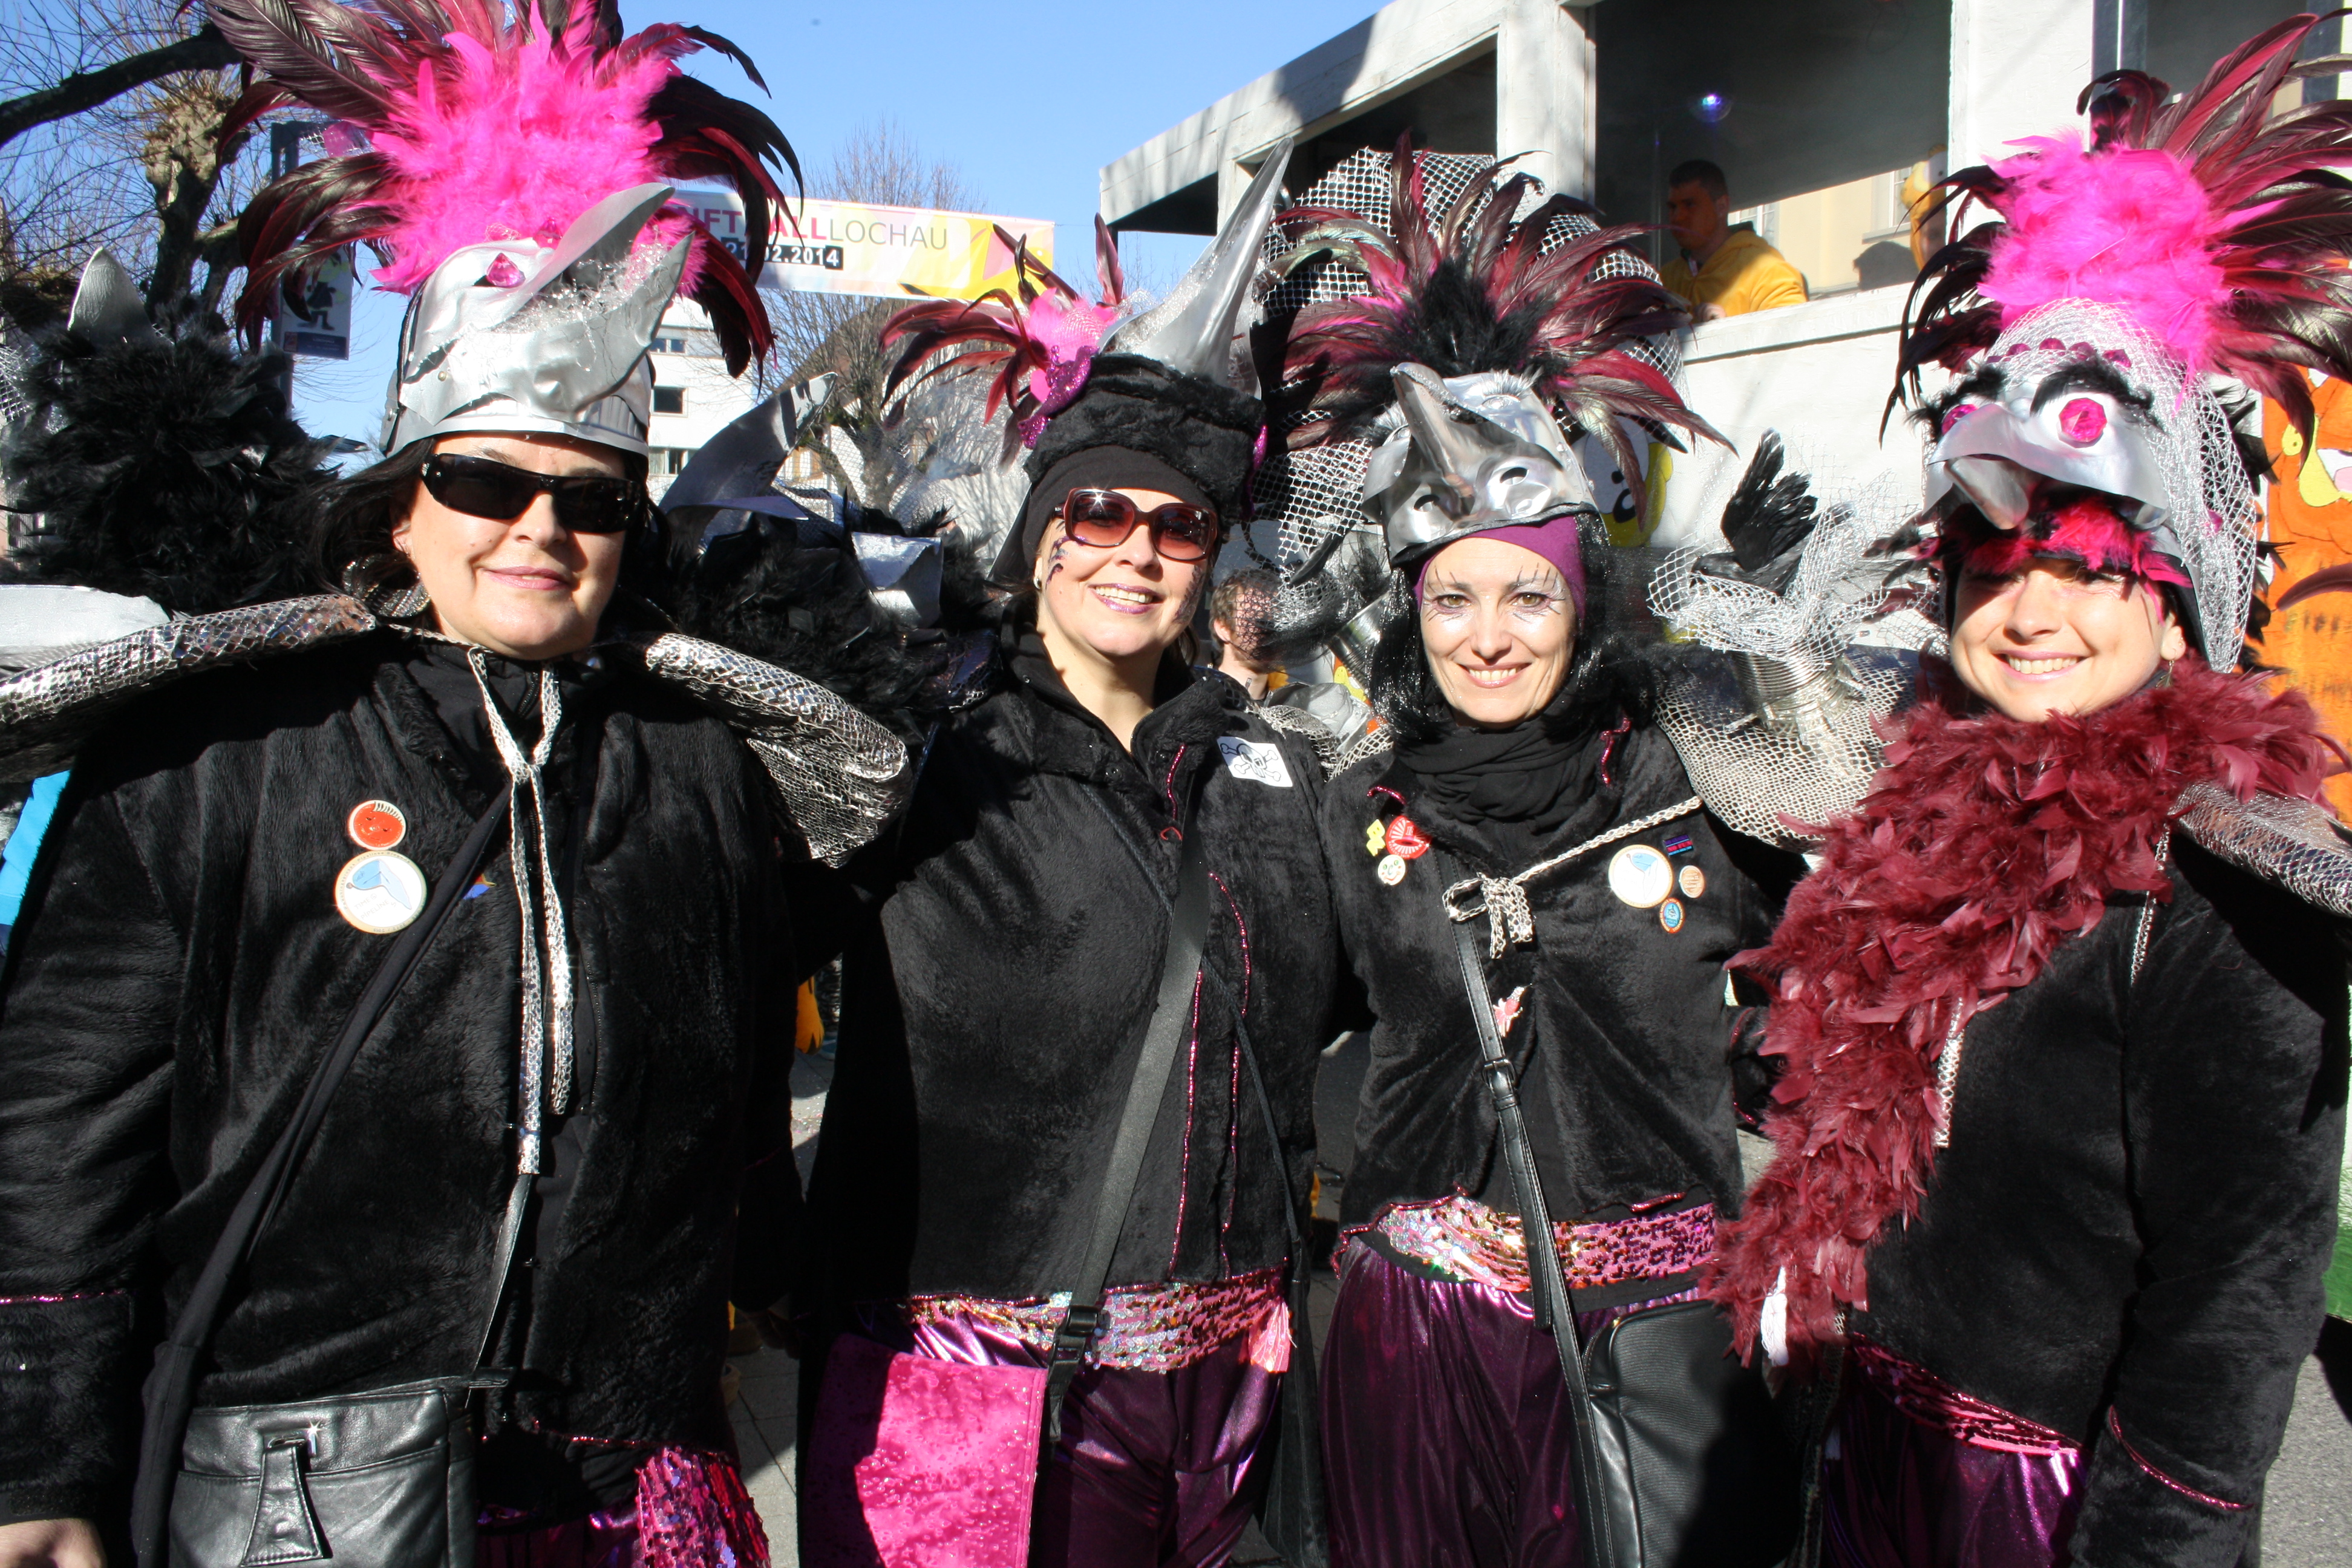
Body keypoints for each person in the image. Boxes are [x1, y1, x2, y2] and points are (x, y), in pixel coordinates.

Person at [0, 8, 906, 1567]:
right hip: (298, 1491)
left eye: (590, 500)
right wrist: (37, 1468)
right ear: (399, 504)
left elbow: (737, 1078)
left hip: (635, 1479)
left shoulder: (701, 763)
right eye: (484, 481)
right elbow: (54, 1132)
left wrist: (752, 1278)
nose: (538, 529)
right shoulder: (222, 750)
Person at [1711, 21, 2352, 1566]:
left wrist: (2153, 1541)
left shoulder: (2227, 877)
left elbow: (2234, 1299)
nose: (2031, 611)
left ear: (2178, 605)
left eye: (2088, 566)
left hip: (2052, 1509)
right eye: (1993, 568)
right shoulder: (1912, 799)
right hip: (1869, 1456)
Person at [1272, 149, 1821, 1568]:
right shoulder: (1360, 808)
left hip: (1659, 1348)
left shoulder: (1685, 783)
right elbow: (1263, 1029)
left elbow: (1826, 993)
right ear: (1410, 608)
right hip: (1415, 1344)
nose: (1489, 635)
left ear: (1584, 600)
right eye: (1451, 598)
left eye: (1528, 594)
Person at [798, 145, 1346, 1568]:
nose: (1135, 553)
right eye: (1100, 513)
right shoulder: (919, 752)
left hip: (1235, 1407)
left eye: (1178, 526)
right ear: (1043, 532)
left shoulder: (1273, 771)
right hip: (979, 1410)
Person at [1660, 158, 1808, 321]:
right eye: (1673, 207)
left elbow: (1792, 332)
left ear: (1722, 206)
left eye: (1690, 205)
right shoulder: (1665, 278)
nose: (1678, 217)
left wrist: (1728, 328)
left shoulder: (1768, 272)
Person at [1210, 567, 1287, 700]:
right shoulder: (1195, 697)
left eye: (1277, 621)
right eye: (1259, 620)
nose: (1269, 630)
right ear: (1224, 628)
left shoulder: (1296, 703)